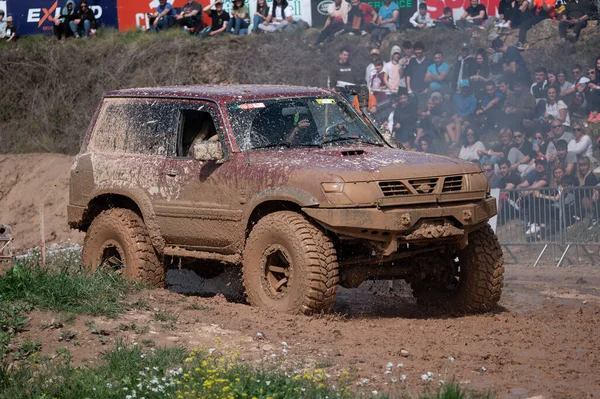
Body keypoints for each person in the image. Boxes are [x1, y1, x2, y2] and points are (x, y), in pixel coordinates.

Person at [447, 80, 476, 146]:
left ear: (468, 88)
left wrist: (458, 115)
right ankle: (453, 142)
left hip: (467, 116)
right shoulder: (456, 97)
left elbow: (471, 111)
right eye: (463, 88)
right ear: (461, 88)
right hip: (457, 117)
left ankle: (457, 142)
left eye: (466, 88)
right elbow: (454, 109)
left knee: (457, 120)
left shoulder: (472, 98)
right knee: (448, 126)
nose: (465, 90)